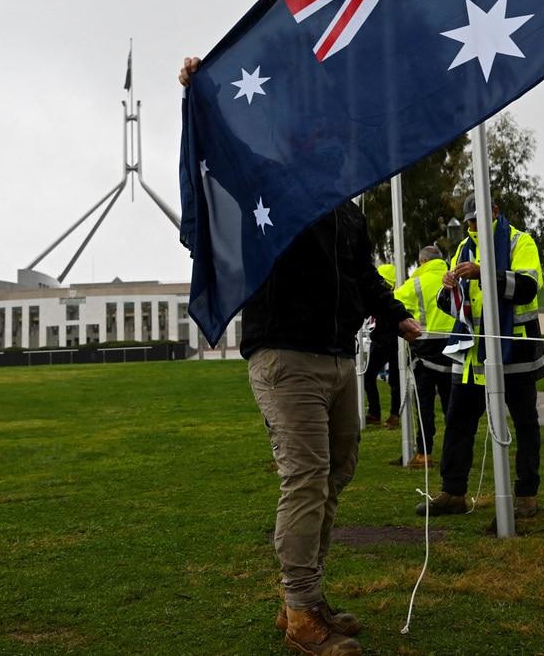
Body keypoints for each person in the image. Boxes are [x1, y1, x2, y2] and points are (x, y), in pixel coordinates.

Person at [179, 57, 422, 656]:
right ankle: (300, 609)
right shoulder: (274, 189)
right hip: (286, 356)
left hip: (340, 358)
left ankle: (305, 601)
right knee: (307, 478)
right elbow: (229, 157)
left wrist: (398, 317)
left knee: (334, 476)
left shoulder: (346, 208)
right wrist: (202, 93)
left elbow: (361, 273)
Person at [417, 193, 544, 523]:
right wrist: (448, 288)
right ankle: (453, 492)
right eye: (471, 220)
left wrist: (483, 273)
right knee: (458, 421)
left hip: (514, 351)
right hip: (471, 355)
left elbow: (529, 287)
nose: (475, 225)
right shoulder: (462, 249)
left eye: (480, 217)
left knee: (525, 424)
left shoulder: (520, 242)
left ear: (496, 211)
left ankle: (526, 496)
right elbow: (452, 305)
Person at [392, 245, 456, 467]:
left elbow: (391, 306)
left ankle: (424, 453)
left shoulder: (416, 283)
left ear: (422, 262)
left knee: (424, 405)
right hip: (454, 348)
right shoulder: (452, 277)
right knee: (452, 404)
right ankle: (454, 452)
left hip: (424, 349)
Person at [363, 264, 402, 428]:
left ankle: (393, 415)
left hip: (392, 342)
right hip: (380, 341)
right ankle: (375, 413)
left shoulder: (393, 299)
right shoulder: (381, 297)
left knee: (395, 380)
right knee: (369, 377)